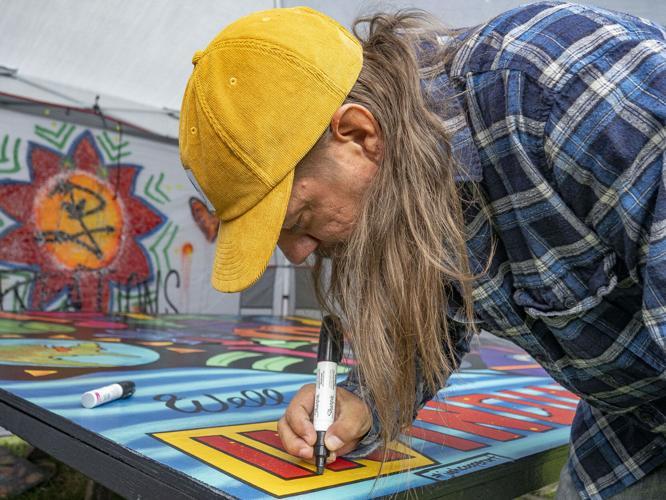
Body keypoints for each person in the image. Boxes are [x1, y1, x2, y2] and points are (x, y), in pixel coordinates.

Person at [179, 2, 665, 498]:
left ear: (359, 134)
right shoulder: (408, 188)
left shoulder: (561, 85)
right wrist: (363, 402)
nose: (300, 255)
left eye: (298, 220)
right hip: (631, 422)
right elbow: (434, 317)